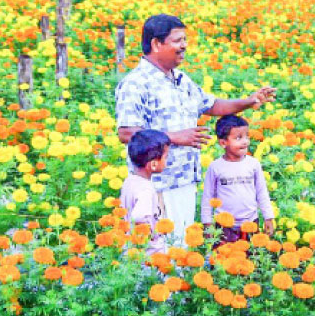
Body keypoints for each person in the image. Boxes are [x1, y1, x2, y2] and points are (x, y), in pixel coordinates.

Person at [115, 14, 276, 244]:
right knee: (158, 250)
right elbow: (127, 133)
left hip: (184, 180)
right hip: (158, 184)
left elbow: (212, 105)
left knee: (180, 246)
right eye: (177, 40)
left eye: (184, 40)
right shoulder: (136, 83)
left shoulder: (180, 79)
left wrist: (249, 101)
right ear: (156, 44)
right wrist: (175, 138)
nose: (184, 46)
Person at [201, 115, 275, 245]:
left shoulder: (253, 164)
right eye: (238, 138)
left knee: (251, 254)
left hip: (250, 222)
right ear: (223, 143)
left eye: (247, 136)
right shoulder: (215, 167)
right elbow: (208, 197)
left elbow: (262, 193)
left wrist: (268, 217)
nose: (245, 141)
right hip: (224, 225)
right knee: (224, 255)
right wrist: (207, 224)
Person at [119, 129, 170, 254]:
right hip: (149, 254)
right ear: (153, 164)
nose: (167, 161)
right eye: (165, 157)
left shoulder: (130, 181)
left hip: (131, 249)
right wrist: (151, 234)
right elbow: (139, 216)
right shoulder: (146, 189)